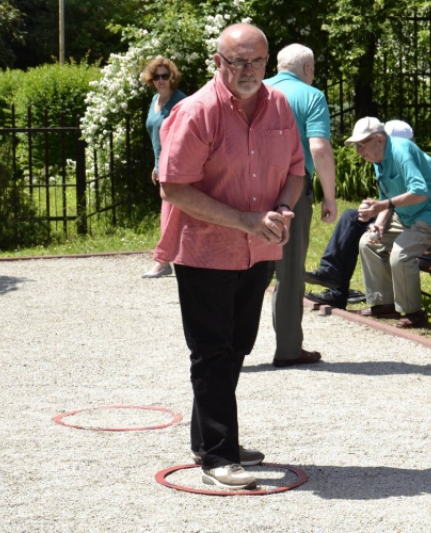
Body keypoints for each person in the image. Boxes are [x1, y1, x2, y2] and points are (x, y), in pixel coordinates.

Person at [154, 24, 305, 490]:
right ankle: (219, 457)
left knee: (237, 345)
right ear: (217, 62)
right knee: (212, 350)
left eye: (257, 61)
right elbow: (174, 186)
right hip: (204, 250)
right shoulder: (196, 110)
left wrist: (282, 207)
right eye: (237, 61)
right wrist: (244, 219)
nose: (248, 70)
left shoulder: (279, 104)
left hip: (259, 248)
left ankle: (208, 441)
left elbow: (297, 170)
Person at [263, 43, 338, 368]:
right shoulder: (311, 96)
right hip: (291, 191)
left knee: (247, 270)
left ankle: (231, 348)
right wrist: (330, 197)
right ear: (307, 68)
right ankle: (289, 348)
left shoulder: (257, 91)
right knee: (289, 271)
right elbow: (319, 148)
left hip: (248, 188)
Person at [351, 117, 431, 328]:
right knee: (368, 243)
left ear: (379, 139)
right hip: (406, 214)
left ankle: (415, 314)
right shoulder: (377, 160)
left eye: (363, 143)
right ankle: (383, 304)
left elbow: (420, 192)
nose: (359, 150)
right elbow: (386, 196)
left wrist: (381, 206)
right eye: (356, 145)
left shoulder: (400, 151)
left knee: (401, 253)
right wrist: (379, 224)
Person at [304, 120, 415, 309]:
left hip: (411, 223)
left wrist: (378, 219)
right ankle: (332, 280)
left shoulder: (406, 159)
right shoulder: (382, 161)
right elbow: (388, 197)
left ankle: (336, 289)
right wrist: (373, 213)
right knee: (351, 217)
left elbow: (401, 201)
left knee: (356, 225)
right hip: (394, 216)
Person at [141, 57, 187, 279]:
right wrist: (156, 163)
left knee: (169, 215)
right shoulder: (154, 100)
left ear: (172, 78)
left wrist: (168, 164)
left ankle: (162, 261)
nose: (160, 80)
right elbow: (155, 136)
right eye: (156, 76)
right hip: (162, 165)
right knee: (173, 215)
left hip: (177, 167)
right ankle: (175, 258)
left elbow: (183, 139)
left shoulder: (181, 102)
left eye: (164, 76)